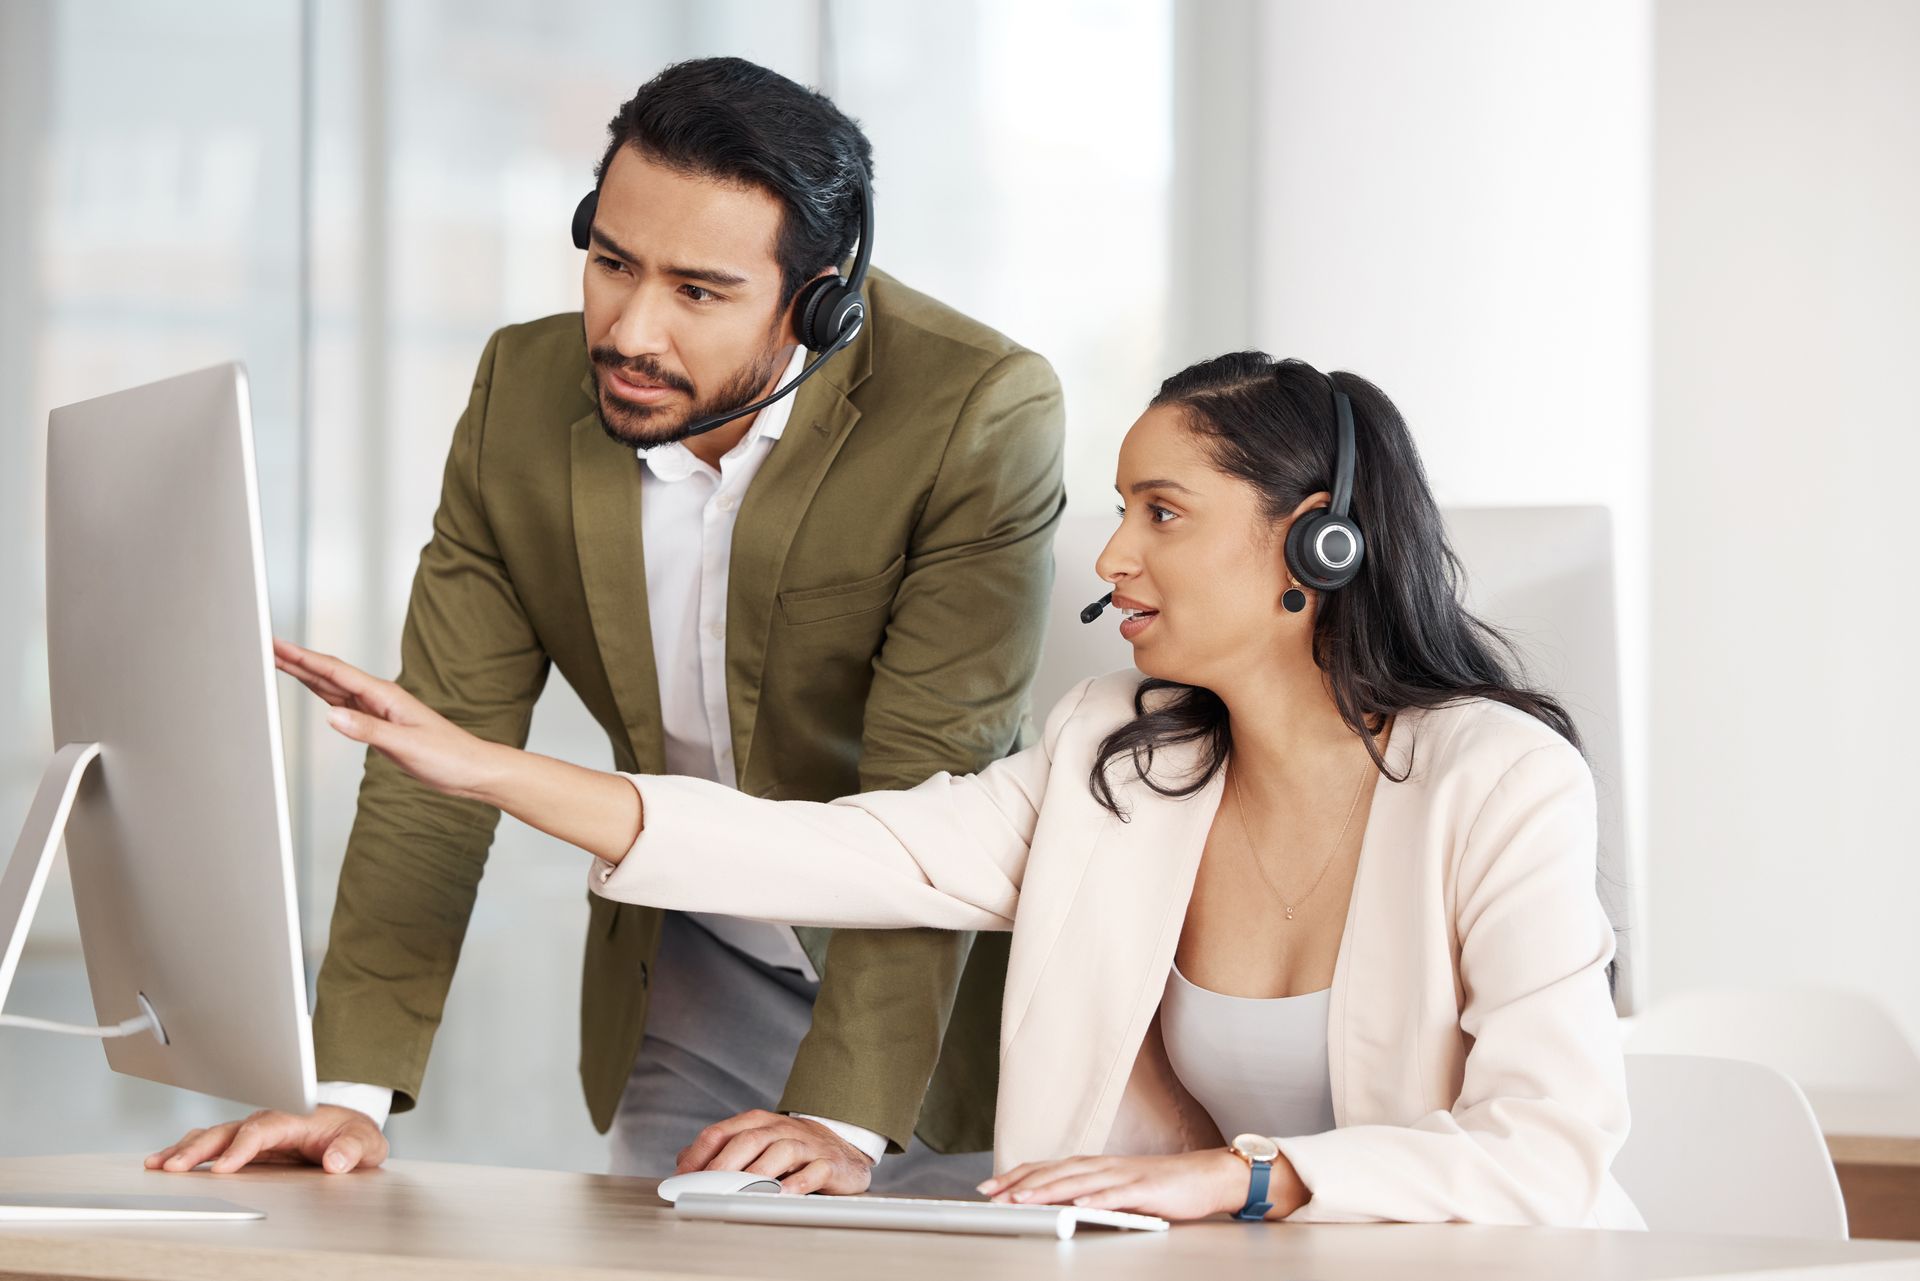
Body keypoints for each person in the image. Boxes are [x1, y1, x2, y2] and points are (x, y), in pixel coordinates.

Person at [260, 353, 1641, 1227]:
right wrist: (484, 764)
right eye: (1117, 509)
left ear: (1315, 543)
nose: (1109, 557)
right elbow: (840, 854)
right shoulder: (1125, 754)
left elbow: (1547, 1150)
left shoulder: (1495, 779)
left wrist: (1253, 1176)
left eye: (1161, 513)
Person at [147, 56, 1064, 1197]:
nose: (629, 331)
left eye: (699, 291)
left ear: (816, 299)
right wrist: (343, 1092)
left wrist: (842, 1117)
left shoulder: (975, 411)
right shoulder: (521, 392)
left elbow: (934, 790)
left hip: (926, 1000)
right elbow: (431, 752)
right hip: (689, 966)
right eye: (612, 262)